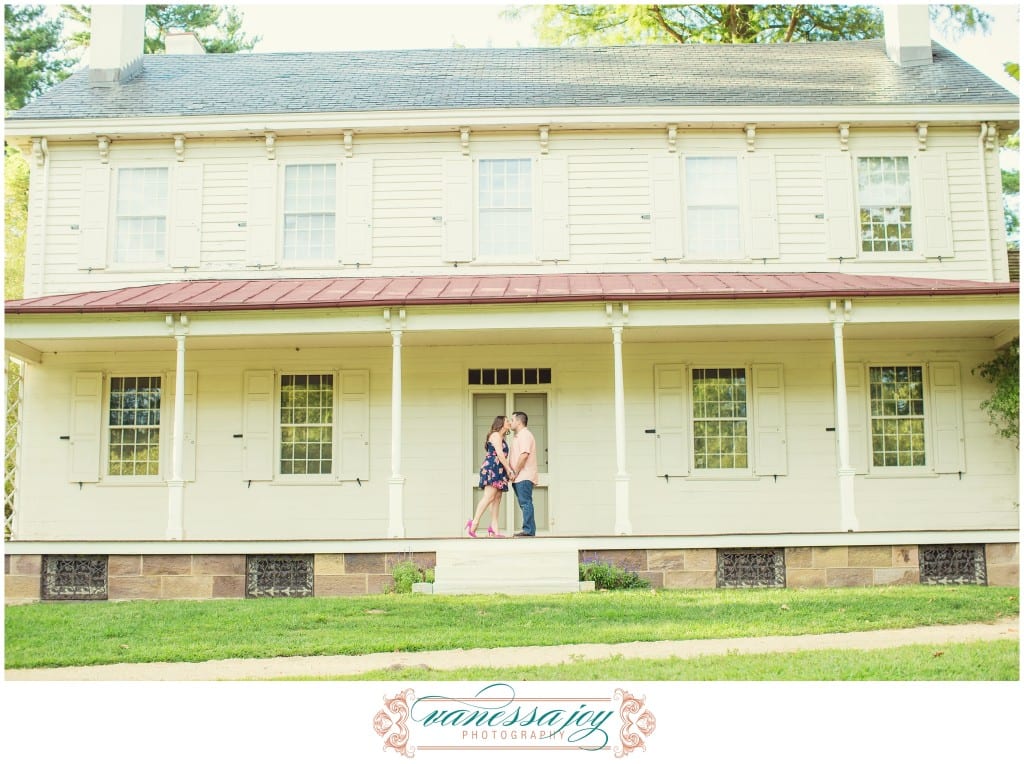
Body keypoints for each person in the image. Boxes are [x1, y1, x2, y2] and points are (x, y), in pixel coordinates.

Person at [467, 415, 514, 538]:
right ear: (501, 423)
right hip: (492, 468)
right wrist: (509, 469)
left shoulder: (502, 437)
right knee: (489, 497)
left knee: (497, 499)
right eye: (507, 421)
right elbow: (499, 453)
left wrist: (506, 469)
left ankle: (494, 528)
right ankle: (474, 521)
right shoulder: (495, 435)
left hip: (499, 469)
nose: (509, 422)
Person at [509, 411, 538, 537]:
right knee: (524, 503)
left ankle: (528, 530)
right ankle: (529, 529)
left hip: (523, 475)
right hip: (519, 476)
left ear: (519, 422)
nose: (510, 422)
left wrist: (515, 472)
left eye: (512, 420)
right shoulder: (519, 436)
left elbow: (524, 455)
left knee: (525, 503)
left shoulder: (525, 435)